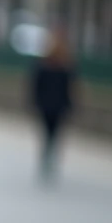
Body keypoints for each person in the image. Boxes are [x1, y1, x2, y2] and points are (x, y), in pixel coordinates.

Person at [29, 33, 77, 182]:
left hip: (51, 107)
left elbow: (69, 89)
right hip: (53, 107)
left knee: (50, 135)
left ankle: (48, 159)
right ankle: (48, 159)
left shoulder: (62, 68)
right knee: (52, 135)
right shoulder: (53, 67)